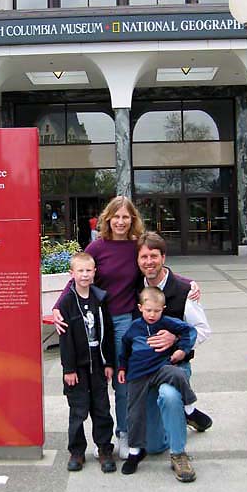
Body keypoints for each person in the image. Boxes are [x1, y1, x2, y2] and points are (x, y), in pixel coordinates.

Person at [53, 195, 201, 460]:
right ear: (107, 219)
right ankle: (99, 439)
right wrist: (58, 306)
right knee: (96, 378)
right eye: (116, 217)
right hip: (97, 319)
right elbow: (78, 276)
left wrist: (189, 283)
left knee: (123, 380)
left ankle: (124, 431)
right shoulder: (97, 247)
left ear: (132, 220)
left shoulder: (135, 246)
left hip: (125, 321)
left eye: (126, 217)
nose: (120, 222)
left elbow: (154, 267)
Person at [118, 287, 197, 481]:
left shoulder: (167, 322)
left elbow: (190, 330)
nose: (152, 315)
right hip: (138, 375)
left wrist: (182, 349)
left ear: (163, 309)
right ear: (140, 308)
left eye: (157, 311)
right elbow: (124, 349)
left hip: (160, 368)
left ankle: (190, 409)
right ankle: (135, 451)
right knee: (134, 411)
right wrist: (122, 368)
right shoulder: (134, 327)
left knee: (177, 374)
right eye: (148, 310)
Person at [136, 231, 213, 432]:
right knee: (151, 439)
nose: (149, 262)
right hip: (145, 366)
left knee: (168, 397)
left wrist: (177, 340)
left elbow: (202, 330)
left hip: (176, 365)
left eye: (154, 256)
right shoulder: (134, 288)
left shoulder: (185, 290)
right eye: (144, 257)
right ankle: (188, 411)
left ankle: (183, 412)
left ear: (163, 257)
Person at [58, 252, 116, 473]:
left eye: (88, 270)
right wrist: (69, 368)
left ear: (94, 272)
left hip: (98, 365)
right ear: (71, 274)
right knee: (78, 410)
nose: (84, 274)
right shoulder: (67, 302)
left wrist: (109, 362)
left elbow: (108, 332)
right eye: (80, 271)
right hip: (77, 368)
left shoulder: (100, 299)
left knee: (101, 409)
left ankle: (104, 449)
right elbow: (65, 338)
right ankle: (77, 451)